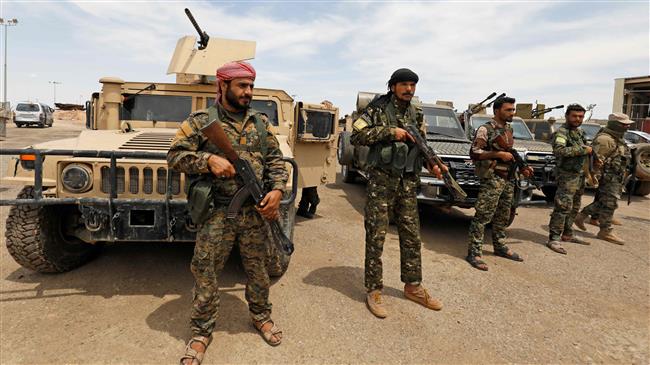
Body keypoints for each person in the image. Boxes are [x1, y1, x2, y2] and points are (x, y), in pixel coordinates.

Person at [168, 61, 289, 364]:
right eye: (242, 86)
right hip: (218, 213)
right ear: (221, 86)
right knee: (206, 271)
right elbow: (174, 156)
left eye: (251, 86)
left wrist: (276, 191)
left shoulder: (261, 123)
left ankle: (261, 316)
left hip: (255, 213)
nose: (248, 92)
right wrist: (207, 160)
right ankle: (200, 332)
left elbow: (276, 160)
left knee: (258, 269)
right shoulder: (201, 121)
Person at [351, 68, 444, 318]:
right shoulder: (378, 109)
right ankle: (374, 289)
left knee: (412, 236)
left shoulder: (416, 112)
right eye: (404, 84)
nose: (409, 89)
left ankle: (413, 286)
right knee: (377, 235)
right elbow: (356, 136)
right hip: (382, 181)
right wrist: (391, 132)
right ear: (393, 86)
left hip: (408, 182)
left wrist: (433, 163)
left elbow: (421, 145)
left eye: (413, 85)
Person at [466, 96, 532, 271]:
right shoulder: (485, 129)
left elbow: (509, 150)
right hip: (492, 177)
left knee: (503, 214)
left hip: (508, 177)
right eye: (508, 109)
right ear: (497, 111)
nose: (512, 112)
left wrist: (523, 166)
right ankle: (474, 252)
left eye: (513, 109)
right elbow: (474, 152)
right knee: (483, 216)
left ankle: (500, 246)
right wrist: (498, 155)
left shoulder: (508, 128)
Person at [574, 113, 633, 244]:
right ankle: (605, 231)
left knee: (606, 202)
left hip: (616, 176)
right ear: (615, 125)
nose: (627, 127)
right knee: (609, 203)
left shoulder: (616, 138)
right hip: (608, 178)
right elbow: (594, 161)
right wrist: (594, 177)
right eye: (624, 124)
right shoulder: (605, 139)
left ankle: (582, 216)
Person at [545, 104, 592, 254]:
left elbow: (585, 151)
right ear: (567, 116)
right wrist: (582, 149)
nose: (578, 119)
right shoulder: (562, 132)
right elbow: (559, 151)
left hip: (579, 176)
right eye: (575, 116)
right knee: (562, 207)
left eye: (581, 116)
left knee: (575, 207)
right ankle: (554, 238)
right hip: (566, 176)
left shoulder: (580, 133)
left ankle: (567, 234)